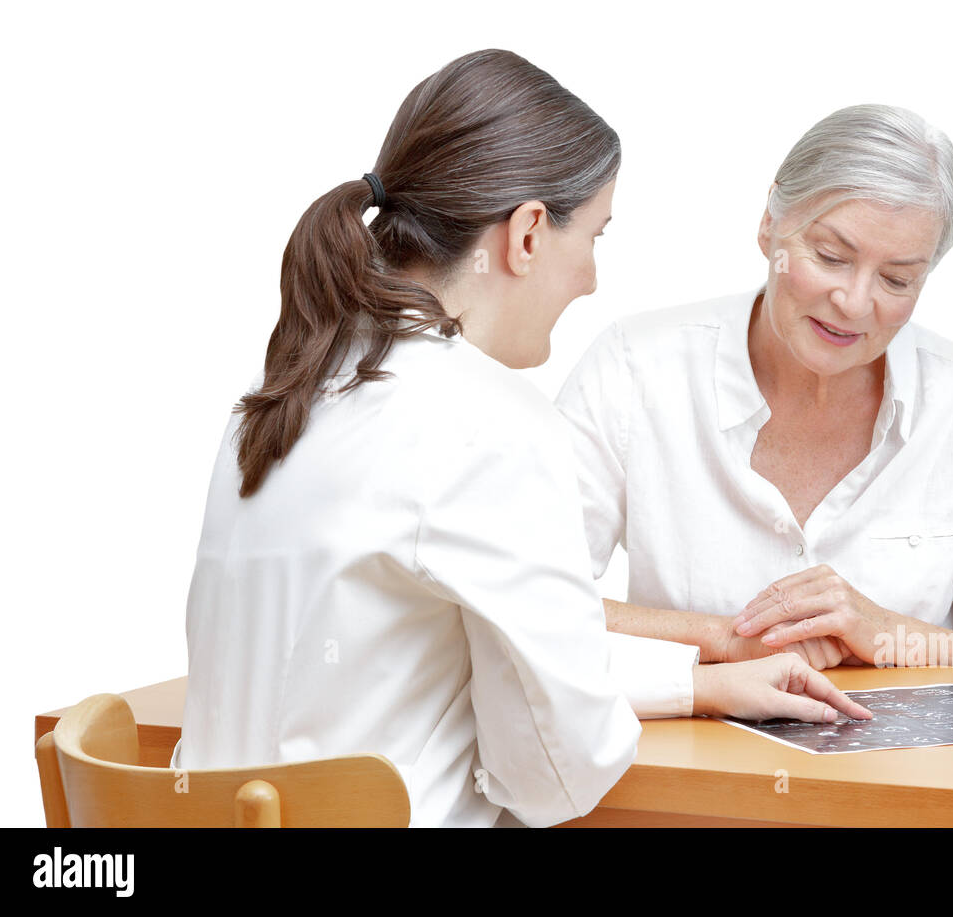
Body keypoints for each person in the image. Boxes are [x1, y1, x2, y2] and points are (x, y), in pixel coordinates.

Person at [172, 50, 869, 829]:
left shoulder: (278, 403)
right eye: (596, 237)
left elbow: (437, 670)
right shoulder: (490, 421)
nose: (593, 279)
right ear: (529, 233)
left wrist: (695, 685)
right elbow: (550, 776)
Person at [555, 104, 953, 677]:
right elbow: (521, 603)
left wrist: (892, 637)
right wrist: (724, 642)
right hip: (688, 764)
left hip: (908, 767)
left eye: (897, 279)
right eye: (831, 257)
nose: (855, 304)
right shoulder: (636, 367)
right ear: (770, 224)